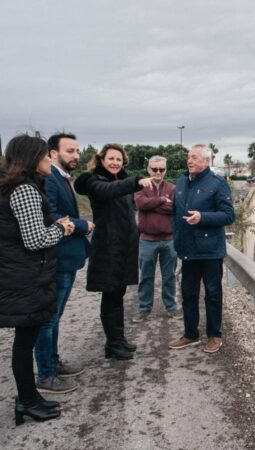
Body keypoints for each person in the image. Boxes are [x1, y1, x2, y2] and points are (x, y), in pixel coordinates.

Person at [0, 135, 75, 425]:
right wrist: (61, 228)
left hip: (19, 275)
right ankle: (28, 401)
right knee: (24, 342)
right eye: (46, 156)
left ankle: (29, 397)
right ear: (34, 159)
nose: (50, 160)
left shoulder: (13, 187)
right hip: (26, 277)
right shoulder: (26, 191)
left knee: (24, 340)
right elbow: (35, 239)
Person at [74, 144, 152, 360]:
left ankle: (119, 339)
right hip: (108, 248)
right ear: (101, 160)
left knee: (119, 295)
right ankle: (113, 343)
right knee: (110, 296)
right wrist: (135, 181)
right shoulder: (95, 182)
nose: (115, 162)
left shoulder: (119, 182)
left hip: (124, 248)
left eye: (119, 159)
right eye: (111, 158)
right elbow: (109, 191)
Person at [34, 132, 94, 395]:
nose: (76, 155)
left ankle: (53, 362)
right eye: (70, 151)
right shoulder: (50, 179)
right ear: (53, 153)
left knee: (54, 317)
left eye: (77, 150)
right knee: (48, 319)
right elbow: (53, 217)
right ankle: (45, 373)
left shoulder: (61, 178)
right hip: (56, 259)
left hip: (66, 258)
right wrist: (83, 225)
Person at [169, 144, 234, 354]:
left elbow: (228, 215)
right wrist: (176, 239)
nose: (190, 161)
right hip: (187, 249)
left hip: (210, 250)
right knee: (188, 293)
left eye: (195, 157)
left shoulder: (217, 184)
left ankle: (214, 336)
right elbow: (175, 213)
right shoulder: (181, 181)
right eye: (189, 157)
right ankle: (190, 334)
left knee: (213, 294)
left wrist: (203, 217)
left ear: (207, 161)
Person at [132, 155, 181, 322]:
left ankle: (171, 307)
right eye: (154, 169)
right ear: (148, 169)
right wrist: (161, 200)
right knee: (146, 276)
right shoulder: (141, 186)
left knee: (170, 276)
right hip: (147, 239)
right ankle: (144, 308)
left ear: (165, 170)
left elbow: (174, 208)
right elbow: (140, 205)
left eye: (161, 169)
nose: (158, 172)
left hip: (169, 239)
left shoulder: (173, 188)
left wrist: (151, 205)